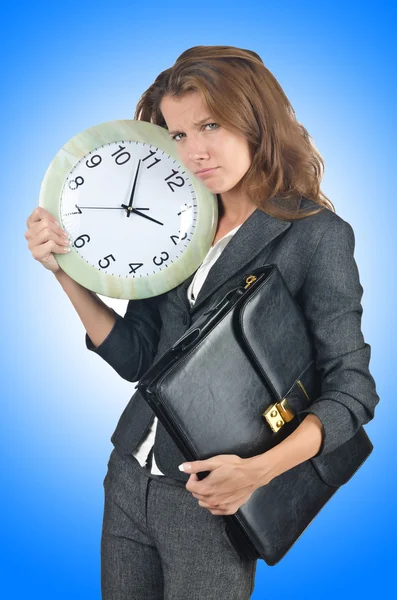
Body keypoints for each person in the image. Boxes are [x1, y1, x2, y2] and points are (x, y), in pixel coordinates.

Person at [24, 45, 379, 599]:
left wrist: (257, 471)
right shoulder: (177, 217)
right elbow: (141, 359)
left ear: (254, 118)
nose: (193, 152)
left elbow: (351, 391)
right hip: (127, 478)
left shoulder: (317, 236)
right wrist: (63, 273)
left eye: (209, 125)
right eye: (178, 134)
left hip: (212, 500)